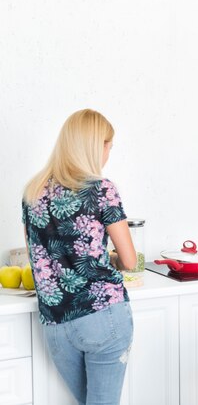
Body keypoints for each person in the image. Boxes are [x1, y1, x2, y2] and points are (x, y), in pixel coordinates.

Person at [22, 109, 136, 405]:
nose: (108, 153)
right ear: (95, 146)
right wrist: (111, 260)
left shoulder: (33, 193)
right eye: (108, 145)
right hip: (103, 316)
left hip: (56, 324)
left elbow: (38, 257)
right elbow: (130, 260)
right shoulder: (102, 190)